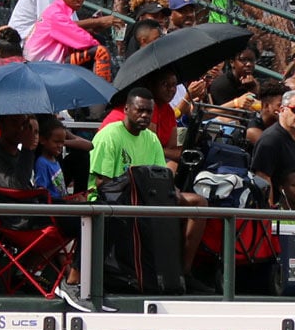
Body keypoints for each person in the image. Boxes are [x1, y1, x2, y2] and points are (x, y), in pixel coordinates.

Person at [88, 87, 207, 276]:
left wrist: (171, 190)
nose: (144, 115)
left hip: (149, 197)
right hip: (116, 200)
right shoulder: (108, 135)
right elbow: (103, 184)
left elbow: (161, 174)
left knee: (198, 203)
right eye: (139, 110)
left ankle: (183, 273)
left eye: (149, 112)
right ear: (126, 109)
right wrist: (136, 187)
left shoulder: (151, 138)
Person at [250, 89, 295, 205]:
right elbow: (263, 179)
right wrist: (271, 213)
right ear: (282, 110)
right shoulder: (270, 139)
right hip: (284, 207)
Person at [24, 0, 101, 63]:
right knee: (100, 51)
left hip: (44, 64)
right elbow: (86, 41)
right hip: (39, 67)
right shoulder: (56, 14)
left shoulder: (61, 10)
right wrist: (100, 22)